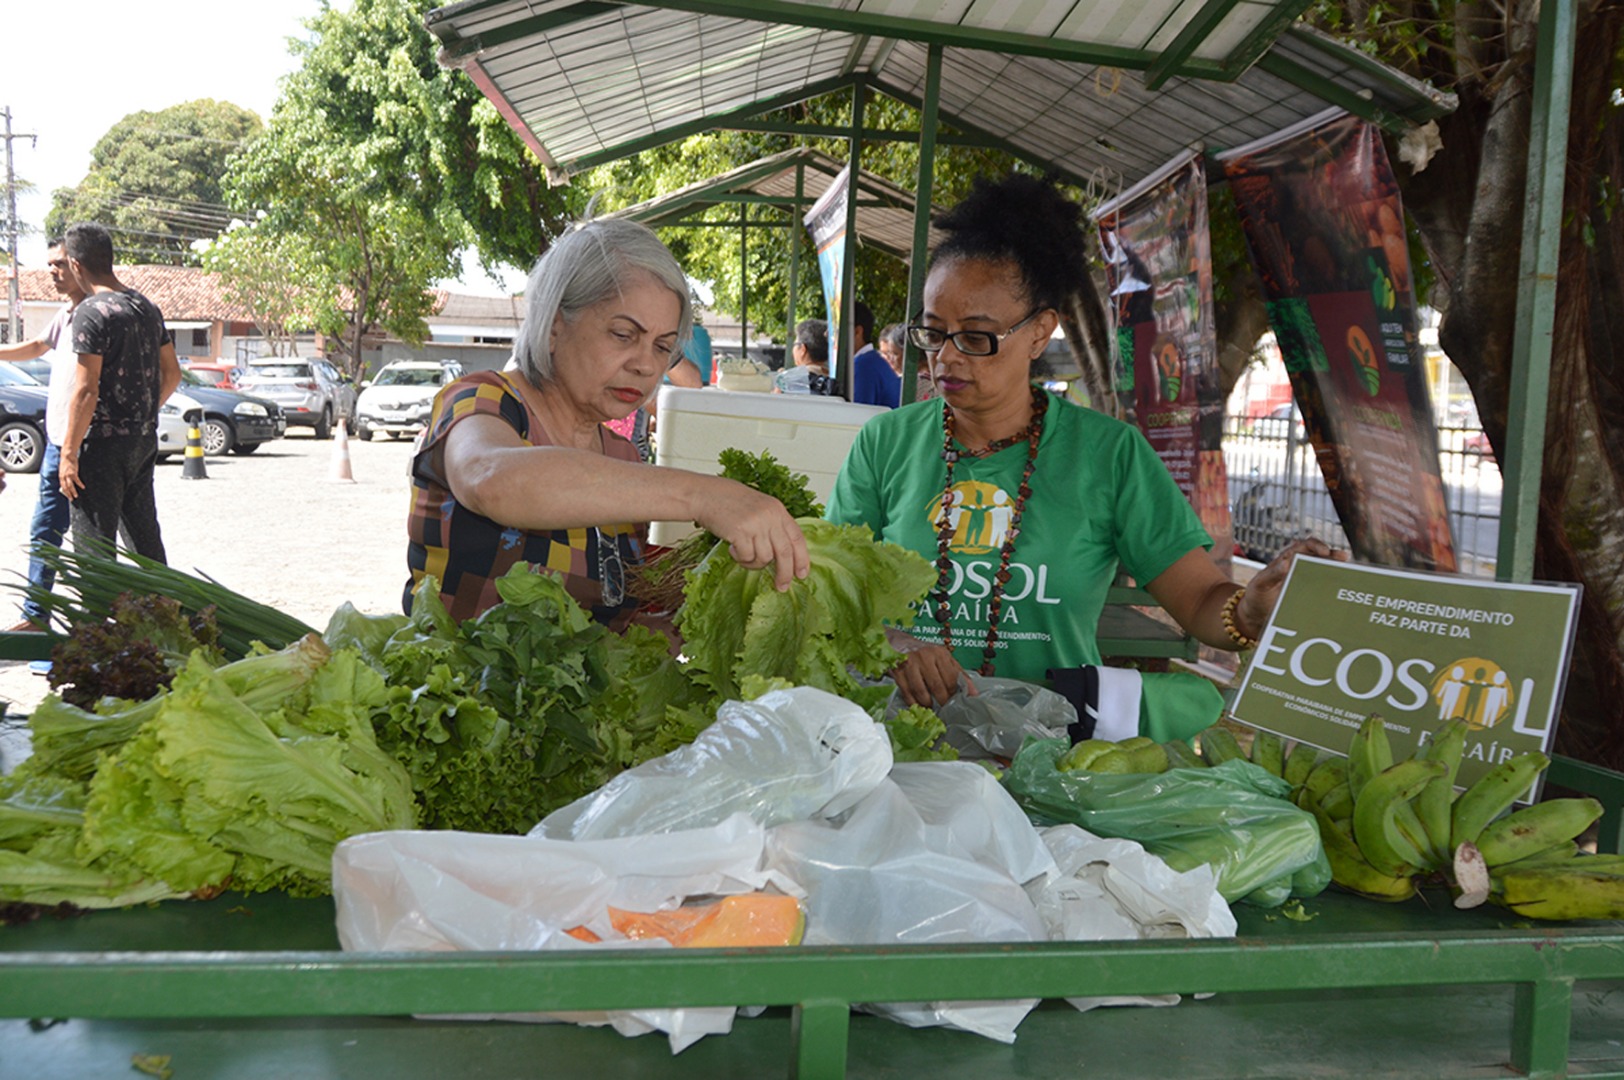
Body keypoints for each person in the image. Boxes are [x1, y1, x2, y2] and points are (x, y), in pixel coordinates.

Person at [826, 173, 1335, 707]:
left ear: (1041, 332)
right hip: (893, 744)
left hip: (1049, 752)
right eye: (932, 332)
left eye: (976, 336)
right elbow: (830, 591)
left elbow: (1202, 599)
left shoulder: (1110, 455)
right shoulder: (884, 444)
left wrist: (1249, 610)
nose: (946, 357)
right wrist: (891, 641)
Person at [406, 218, 808, 625]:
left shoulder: (621, 458)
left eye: (662, 347)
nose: (646, 365)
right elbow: (490, 478)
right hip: (464, 686)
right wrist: (705, 496)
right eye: (622, 334)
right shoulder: (484, 401)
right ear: (553, 327)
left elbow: (607, 632)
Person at [59, 222, 181, 561]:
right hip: (142, 439)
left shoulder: (91, 312)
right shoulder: (146, 307)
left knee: (94, 553)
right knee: (146, 543)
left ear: (76, 265)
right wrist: (141, 414)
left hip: (101, 446)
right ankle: (164, 609)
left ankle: (96, 616)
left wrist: (68, 454)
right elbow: (173, 373)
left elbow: (86, 390)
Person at [0, 238, 81, 631]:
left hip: (85, 447)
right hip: (56, 444)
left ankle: (119, 623)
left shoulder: (103, 314)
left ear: (81, 264)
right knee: (45, 528)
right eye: (49, 265)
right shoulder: (66, 313)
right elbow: (36, 345)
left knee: (102, 536)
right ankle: (36, 616)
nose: (53, 272)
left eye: (60, 264)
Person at [849, 300, 900, 408]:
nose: (827, 334)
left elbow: (856, 417)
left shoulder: (862, 366)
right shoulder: (873, 361)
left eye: (835, 329)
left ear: (857, 332)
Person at [773, 319, 833, 396]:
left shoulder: (788, 382)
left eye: (794, 344)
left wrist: (779, 386)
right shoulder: (835, 380)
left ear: (802, 349)